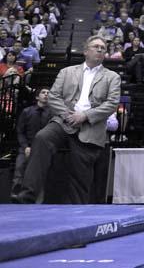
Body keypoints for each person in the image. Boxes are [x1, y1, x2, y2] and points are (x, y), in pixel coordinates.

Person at [12, 36, 121, 204]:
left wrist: (85, 116)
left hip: (89, 127)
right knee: (42, 138)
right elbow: (54, 96)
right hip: (63, 121)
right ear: (86, 51)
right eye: (96, 46)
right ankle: (27, 196)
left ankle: (78, 213)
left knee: (80, 179)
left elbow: (112, 103)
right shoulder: (67, 72)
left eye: (103, 48)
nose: (100, 49)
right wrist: (67, 115)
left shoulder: (112, 77)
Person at [12, 88, 52, 195]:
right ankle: (15, 197)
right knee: (19, 169)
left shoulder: (52, 113)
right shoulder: (27, 111)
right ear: (37, 97)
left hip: (43, 148)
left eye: (48, 93)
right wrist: (25, 147)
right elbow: (20, 131)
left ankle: (38, 200)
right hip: (27, 147)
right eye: (43, 92)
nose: (46, 94)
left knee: (42, 174)